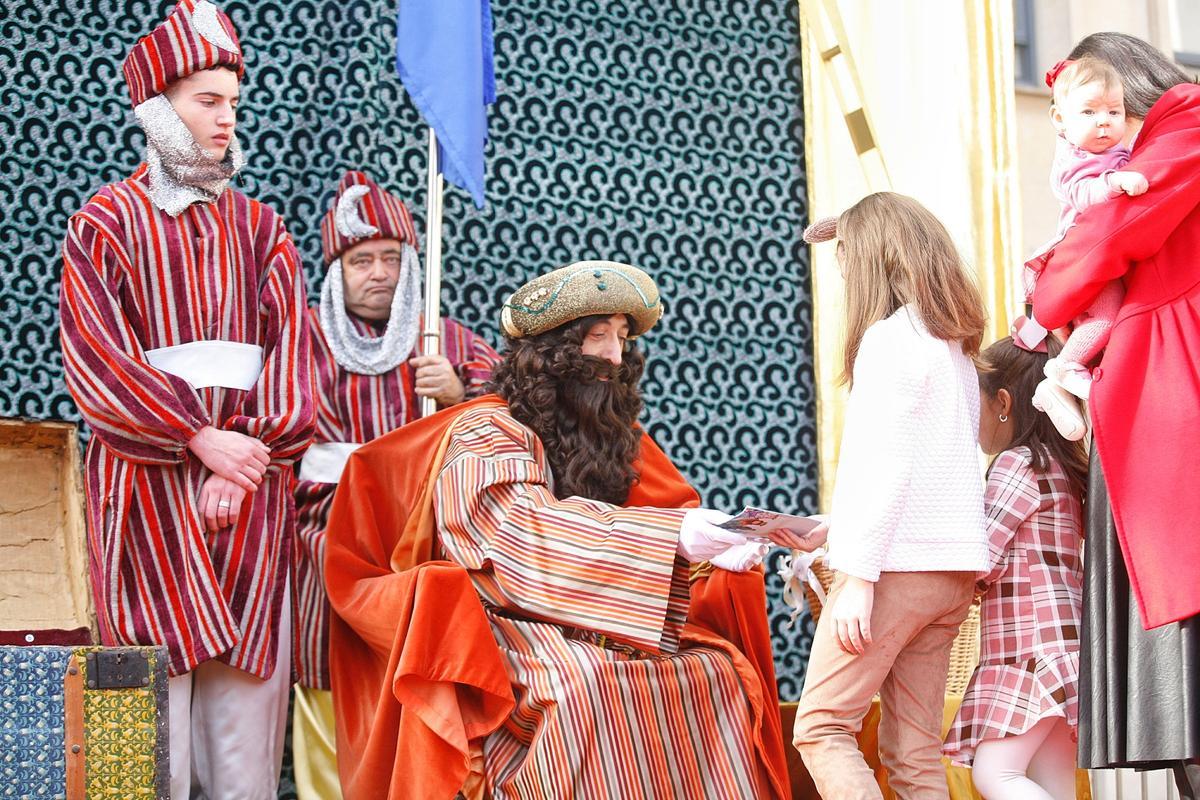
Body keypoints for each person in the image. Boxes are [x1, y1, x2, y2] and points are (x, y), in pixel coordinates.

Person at [323, 261, 791, 799]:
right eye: (598, 336)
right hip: (497, 623)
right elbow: (520, 537)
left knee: (716, 673)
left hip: (605, 620)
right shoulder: (486, 429)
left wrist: (719, 548)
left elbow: (667, 510)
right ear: (551, 351)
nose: (615, 355)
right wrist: (675, 537)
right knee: (585, 685)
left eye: (622, 338)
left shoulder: (608, 437)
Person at [57, 1, 315, 797]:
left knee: (243, 739)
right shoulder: (104, 222)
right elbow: (96, 361)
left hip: (251, 499)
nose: (226, 118)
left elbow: (294, 357)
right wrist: (199, 439)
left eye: (233, 101)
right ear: (158, 106)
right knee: (142, 727)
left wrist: (243, 459)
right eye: (207, 100)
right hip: (145, 496)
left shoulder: (263, 229)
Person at [290, 170, 500, 800]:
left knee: (425, 678)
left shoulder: (445, 339)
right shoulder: (300, 337)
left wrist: (460, 394)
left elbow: (515, 422)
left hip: (421, 542)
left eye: (391, 257)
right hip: (323, 542)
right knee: (326, 675)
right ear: (337, 269)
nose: (379, 273)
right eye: (362, 260)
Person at [1031, 31, 1200, 797]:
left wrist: (1042, 306)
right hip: (1154, 388)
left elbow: (1107, 235)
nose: (1102, 124)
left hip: (1167, 391)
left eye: (1108, 106)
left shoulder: (1186, 120)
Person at [791, 193, 990, 800]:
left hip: (895, 572)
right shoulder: (952, 350)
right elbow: (927, 470)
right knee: (914, 752)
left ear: (876, 257)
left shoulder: (888, 341)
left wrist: (856, 577)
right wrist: (838, 527)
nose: (843, 271)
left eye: (847, 256)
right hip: (949, 573)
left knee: (822, 728)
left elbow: (884, 466)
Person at [942, 329, 1089, 800]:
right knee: (1053, 785)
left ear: (1003, 403)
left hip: (1029, 646)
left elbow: (981, 554)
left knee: (995, 775)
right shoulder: (1059, 468)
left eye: (975, 404)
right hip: (1061, 643)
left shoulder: (1017, 464)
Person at [1023, 58, 1148, 440]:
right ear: (1060, 120)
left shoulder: (1113, 152)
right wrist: (1114, 183)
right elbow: (1081, 193)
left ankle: (1059, 390)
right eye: (1090, 112)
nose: (1104, 121)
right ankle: (1065, 368)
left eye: (1114, 111)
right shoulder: (1073, 159)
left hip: (1101, 259)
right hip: (1082, 261)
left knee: (1110, 326)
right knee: (1105, 319)